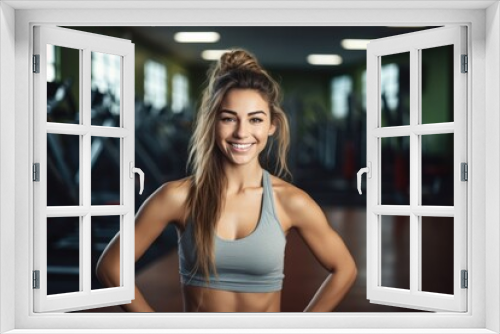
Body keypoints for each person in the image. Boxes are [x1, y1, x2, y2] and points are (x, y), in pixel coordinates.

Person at [96, 49, 357, 312]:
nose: (242, 132)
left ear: (272, 126)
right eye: (229, 118)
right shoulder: (178, 197)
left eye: (255, 119)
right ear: (212, 122)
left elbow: (344, 269)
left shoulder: (290, 201)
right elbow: (110, 267)